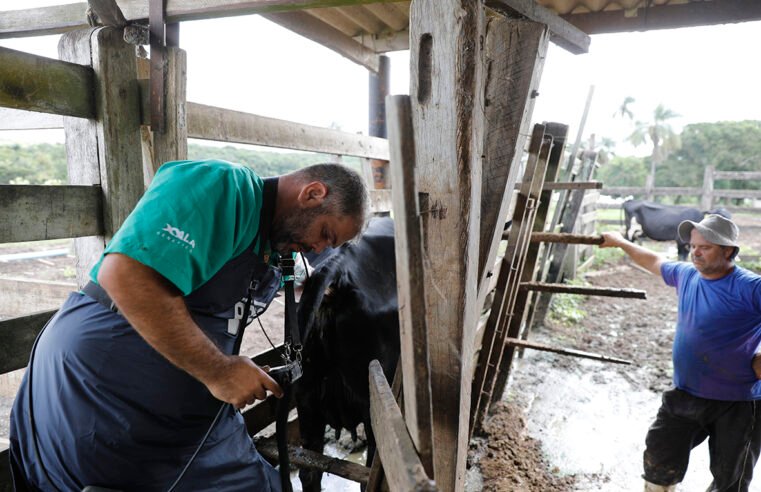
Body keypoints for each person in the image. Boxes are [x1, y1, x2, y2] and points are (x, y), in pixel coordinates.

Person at [9, 159, 369, 491]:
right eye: (324, 233)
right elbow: (125, 274)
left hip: (186, 408)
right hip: (102, 389)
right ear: (313, 193)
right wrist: (219, 370)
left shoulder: (274, 249)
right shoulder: (225, 187)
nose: (316, 248)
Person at [599, 214, 761, 492]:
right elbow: (653, 261)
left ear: (729, 251)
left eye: (705, 247)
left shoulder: (750, 287)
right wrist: (621, 242)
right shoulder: (686, 275)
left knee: (730, 480)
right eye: (694, 245)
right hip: (686, 392)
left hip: (739, 402)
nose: (695, 252)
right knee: (660, 460)